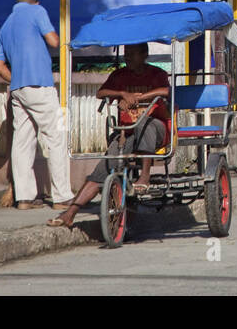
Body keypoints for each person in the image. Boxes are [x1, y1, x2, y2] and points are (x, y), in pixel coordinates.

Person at [47, 42, 171, 228]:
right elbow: (101, 93)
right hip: (127, 132)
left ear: (144, 54)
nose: (127, 57)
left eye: (132, 53)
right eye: (126, 53)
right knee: (102, 169)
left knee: (145, 123)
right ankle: (70, 213)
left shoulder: (157, 73)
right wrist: (121, 94)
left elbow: (166, 91)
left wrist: (137, 98)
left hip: (157, 130)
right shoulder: (119, 75)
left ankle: (144, 176)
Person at [0, 0, 74, 211]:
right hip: (40, 85)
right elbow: (54, 41)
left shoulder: (6, 26)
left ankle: (24, 199)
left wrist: (17, 78)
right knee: (56, 137)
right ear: (36, 2)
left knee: (22, 144)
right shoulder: (38, 11)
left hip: (18, 90)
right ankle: (61, 197)